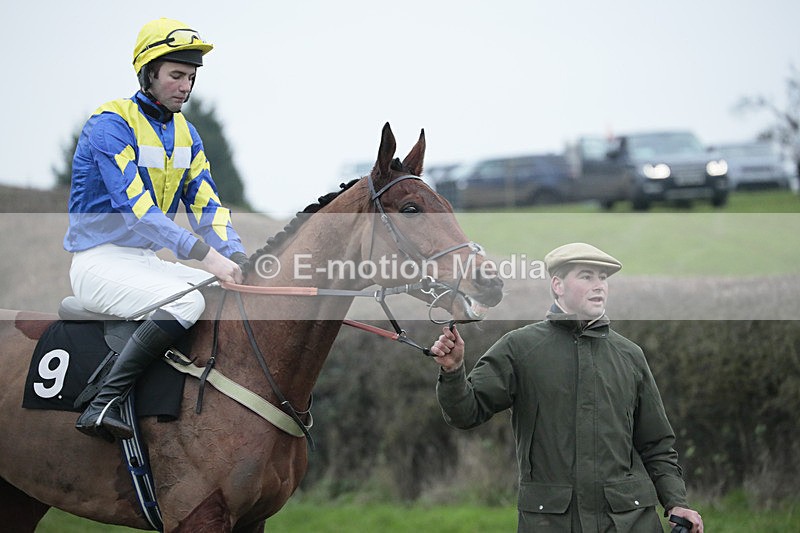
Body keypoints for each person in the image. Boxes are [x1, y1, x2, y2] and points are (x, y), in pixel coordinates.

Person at [429, 243, 704, 532]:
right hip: (552, 522)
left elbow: (657, 444)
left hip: (630, 522)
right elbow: (466, 413)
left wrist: (676, 502)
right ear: (557, 285)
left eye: (603, 278)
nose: (599, 286)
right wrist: (453, 370)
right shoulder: (519, 348)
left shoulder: (630, 355)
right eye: (586, 276)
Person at [64, 18, 248, 441]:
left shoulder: (187, 134)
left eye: (191, 77)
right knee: (186, 303)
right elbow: (139, 213)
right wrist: (206, 255)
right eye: (176, 76)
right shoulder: (110, 125)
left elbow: (207, 206)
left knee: (216, 296)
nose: (185, 86)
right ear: (148, 74)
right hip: (97, 263)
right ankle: (103, 402)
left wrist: (235, 254)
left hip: (142, 263)